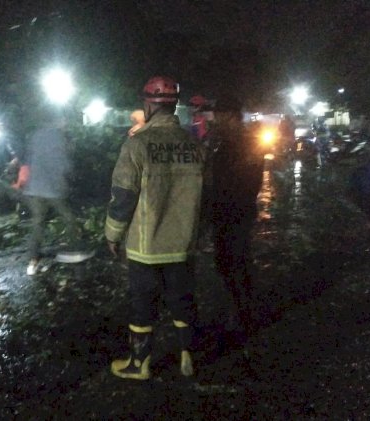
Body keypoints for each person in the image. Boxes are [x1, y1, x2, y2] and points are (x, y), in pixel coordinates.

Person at [106, 76, 204, 380]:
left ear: (148, 104)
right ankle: (189, 355)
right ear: (173, 105)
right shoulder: (195, 145)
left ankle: (140, 363)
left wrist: (112, 235)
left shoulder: (137, 145)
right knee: (182, 299)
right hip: (183, 243)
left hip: (145, 247)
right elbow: (208, 195)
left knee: (142, 304)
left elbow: (123, 196)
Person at [209, 97, 265, 341]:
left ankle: (242, 313)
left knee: (234, 260)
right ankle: (242, 308)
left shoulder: (243, 143)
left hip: (235, 210)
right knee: (229, 260)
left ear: (232, 115)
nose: (215, 119)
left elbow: (246, 182)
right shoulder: (224, 142)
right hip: (227, 211)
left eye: (219, 115)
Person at [22, 108, 93, 276]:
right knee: (70, 219)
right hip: (52, 189)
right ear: (59, 121)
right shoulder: (58, 137)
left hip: (35, 188)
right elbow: (64, 165)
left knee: (37, 223)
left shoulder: (36, 135)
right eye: (64, 121)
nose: (66, 124)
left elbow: (30, 159)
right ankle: (73, 252)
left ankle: (33, 261)